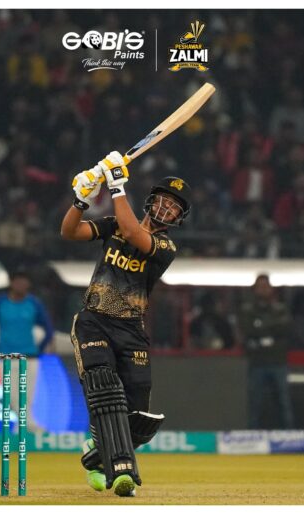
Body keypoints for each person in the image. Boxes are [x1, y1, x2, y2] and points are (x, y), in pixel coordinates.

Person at [60, 151, 191, 497]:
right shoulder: (113, 224)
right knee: (104, 388)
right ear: (151, 200)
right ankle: (117, 468)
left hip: (132, 330)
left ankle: (96, 455)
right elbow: (69, 232)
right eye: (163, 200)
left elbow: (133, 233)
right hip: (95, 321)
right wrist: (81, 200)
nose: (166, 208)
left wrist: (116, 186)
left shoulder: (165, 246)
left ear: (179, 218)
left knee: (138, 419)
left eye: (174, 207)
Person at [237, 274, 294, 429]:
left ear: (271, 289)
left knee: (283, 402)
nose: (263, 290)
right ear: (254, 289)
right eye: (260, 286)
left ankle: (289, 434)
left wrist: (261, 327)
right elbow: (248, 329)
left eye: (265, 286)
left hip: (278, 361)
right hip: (257, 362)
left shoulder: (280, 309)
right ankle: (251, 436)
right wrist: (270, 330)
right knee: (254, 404)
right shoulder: (248, 310)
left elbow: (285, 328)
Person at [0, 269, 54, 357]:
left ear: (29, 284)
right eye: (18, 283)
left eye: (24, 283)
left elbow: (48, 329)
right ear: (11, 283)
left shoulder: (34, 303)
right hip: (5, 354)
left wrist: (40, 349)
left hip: (29, 354)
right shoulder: (0, 302)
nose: (21, 286)